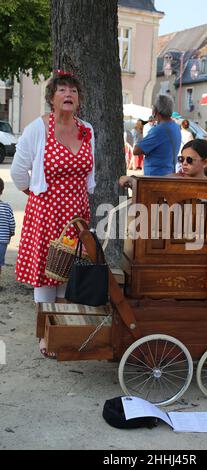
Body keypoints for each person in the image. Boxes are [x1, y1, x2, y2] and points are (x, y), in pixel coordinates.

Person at [10, 70, 96, 357]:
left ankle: (60, 329)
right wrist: (36, 197)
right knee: (46, 274)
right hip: (46, 212)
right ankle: (45, 335)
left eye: (73, 90)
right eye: (62, 90)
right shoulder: (38, 128)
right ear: (51, 98)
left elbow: (90, 174)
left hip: (76, 215)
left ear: (79, 99)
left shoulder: (87, 130)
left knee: (67, 275)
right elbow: (19, 172)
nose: (69, 94)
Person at [119, 138, 207, 188]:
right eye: (181, 159)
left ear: (205, 162)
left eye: (189, 160)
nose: (184, 163)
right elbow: (152, 183)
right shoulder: (175, 178)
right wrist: (132, 180)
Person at [133, 95, 181, 176]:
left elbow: (136, 150)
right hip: (169, 172)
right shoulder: (175, 126)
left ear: (155, 110)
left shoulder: (159, 130)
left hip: (156, 176)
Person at [0, 178, 16, 290]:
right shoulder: (6, 207)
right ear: (2, 191)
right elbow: (11, 224)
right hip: (2, 241)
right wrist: (11, 233)